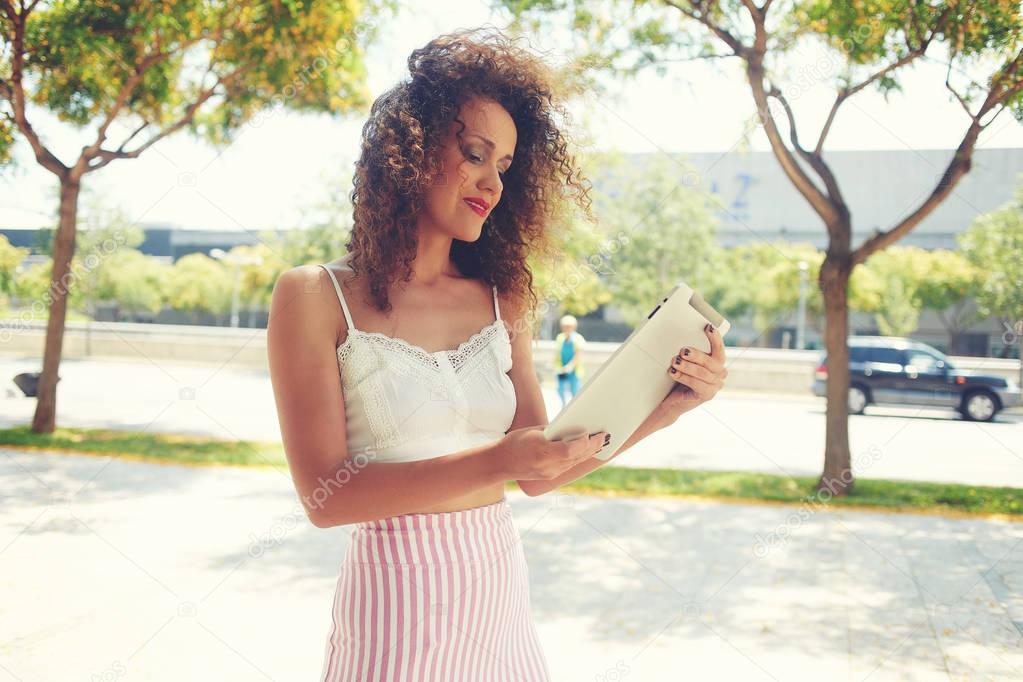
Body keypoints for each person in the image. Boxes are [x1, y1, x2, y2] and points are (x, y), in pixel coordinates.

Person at [266, 27, 728, 682]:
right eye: (476, 154)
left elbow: (540, 470)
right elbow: (324, 498)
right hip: (394, 604)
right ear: (413, 150)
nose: (492, 182)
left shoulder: (499, 298)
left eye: (505, 167)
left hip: (497, 591)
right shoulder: (313, 296)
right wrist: (498, 460)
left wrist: (671, 406)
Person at [553, 314, 585, 407]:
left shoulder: (578, 338)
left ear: (574, 327)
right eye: (564, 326)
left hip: (573, 371)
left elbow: (578, 354)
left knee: (575, 392)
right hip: (561, 369)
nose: (566, 328)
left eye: (569, 326)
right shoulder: (560, 337)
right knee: (560, 390)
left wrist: (570, 366)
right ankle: (564, 407)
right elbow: (557, 353)